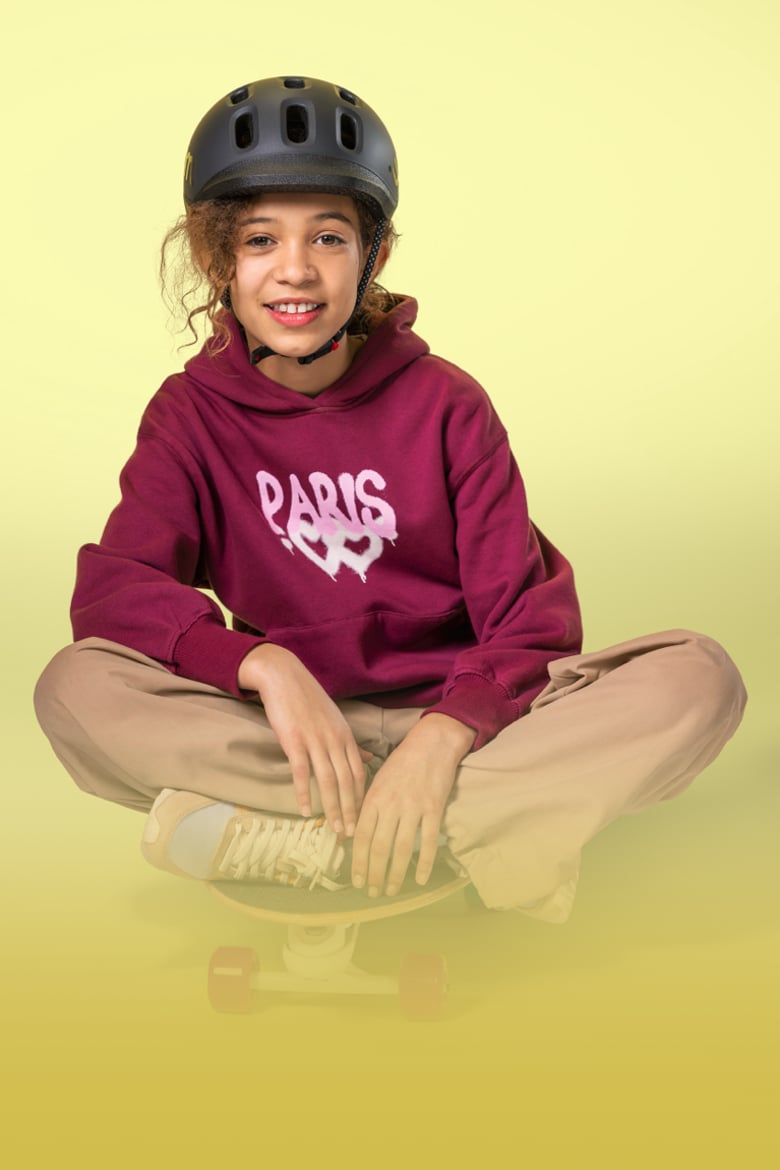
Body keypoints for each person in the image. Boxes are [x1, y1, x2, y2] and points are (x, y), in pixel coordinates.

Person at [34, 75, 746, 922]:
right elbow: (116, 590)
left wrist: (446, 735)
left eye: (328, 238)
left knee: (698, 675)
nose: (295, 270)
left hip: (463, 728)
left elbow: (529, 620)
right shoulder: (189, 415)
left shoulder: (444, 404)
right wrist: (262, 665)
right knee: (74, 686)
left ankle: (336, 836)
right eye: (261, 239)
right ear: (219, 259)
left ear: (371, 254)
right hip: (296, 737)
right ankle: (466, 835)